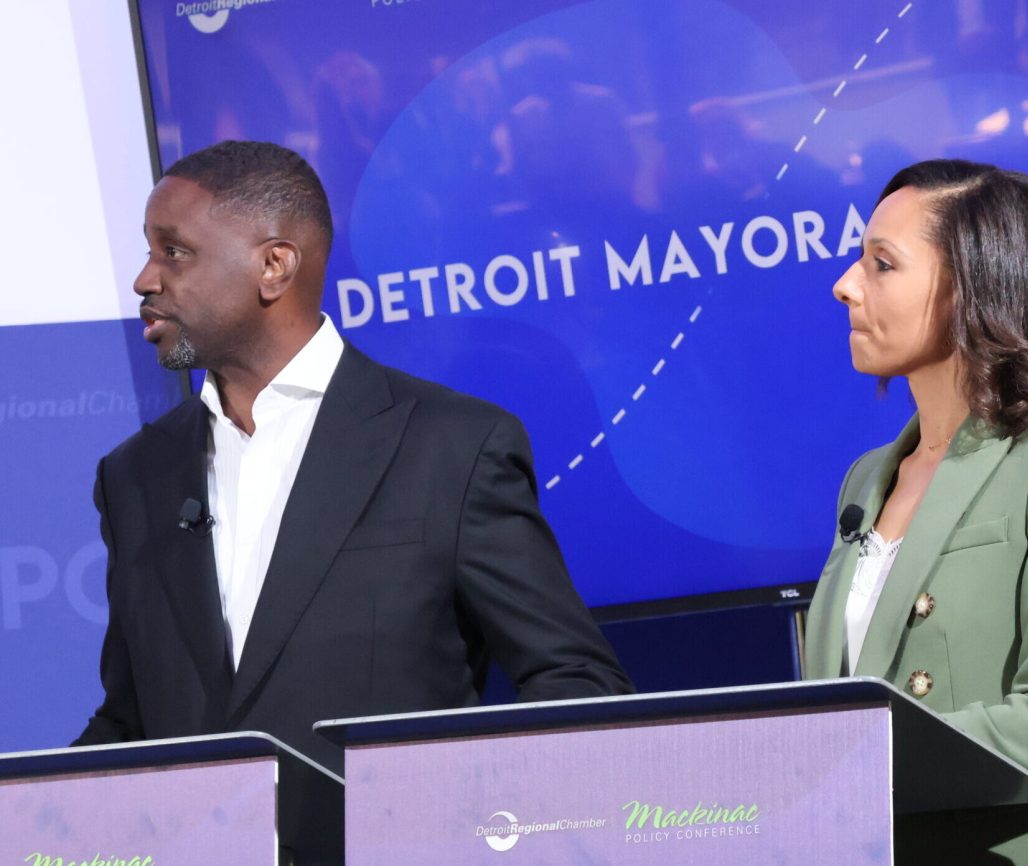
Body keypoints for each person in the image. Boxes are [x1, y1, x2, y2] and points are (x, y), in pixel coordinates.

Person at [75, 141, 633, 856]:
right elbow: (131, 723)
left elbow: (577, 682)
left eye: (173, 252)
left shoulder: (451, 447)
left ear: (274, 266)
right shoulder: (135, 475)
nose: (144, 279)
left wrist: (465, 824)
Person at [804, 159, 1028, 864]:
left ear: (976, 286)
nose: (845, 285)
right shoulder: (866, 479)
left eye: (882, 264)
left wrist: (835, 770)